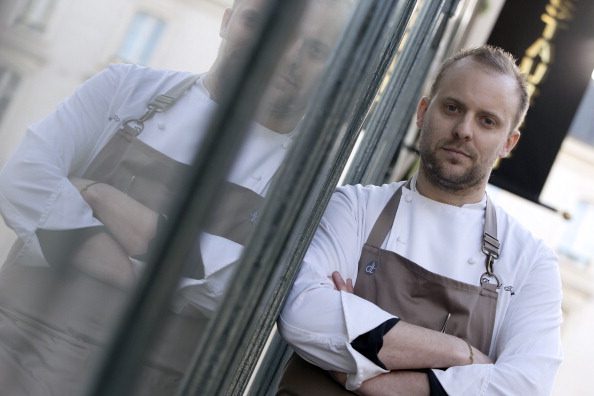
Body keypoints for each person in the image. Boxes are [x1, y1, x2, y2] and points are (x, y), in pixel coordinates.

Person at [0, 0, 352, 394]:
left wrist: (99, 194)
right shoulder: (124, 89)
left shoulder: (307, 180)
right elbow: (24, 178)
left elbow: (255, 289)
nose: (288, 56)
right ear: (226, 19)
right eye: (260, 24)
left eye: (316, 50)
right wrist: (162, 278)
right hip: (14, 350)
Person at [277, 45, 563, 395]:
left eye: (487, 121)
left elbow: (526, 386)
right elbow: (302, 315)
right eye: (452, 108)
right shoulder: (354, 207)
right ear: (423, 112)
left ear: (508, 143)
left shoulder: (531, 262)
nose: (463, 130)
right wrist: (464, 354)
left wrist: (374, 378)